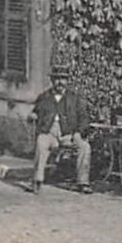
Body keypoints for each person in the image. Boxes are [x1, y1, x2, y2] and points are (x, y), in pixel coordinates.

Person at [30, 64, 92, 194]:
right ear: (52, 80)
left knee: (84, 147)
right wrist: (33, 115)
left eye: (63, 79)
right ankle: (37, 180)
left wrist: (79, 132)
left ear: (67, 81)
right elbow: (36, 111)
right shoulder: (44, 97)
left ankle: (83, 183)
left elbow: (84, 117)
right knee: (41, 142)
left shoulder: (74, 98)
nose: (60, 82)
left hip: (68, 135)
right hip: (49, 133)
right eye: (57, 78)